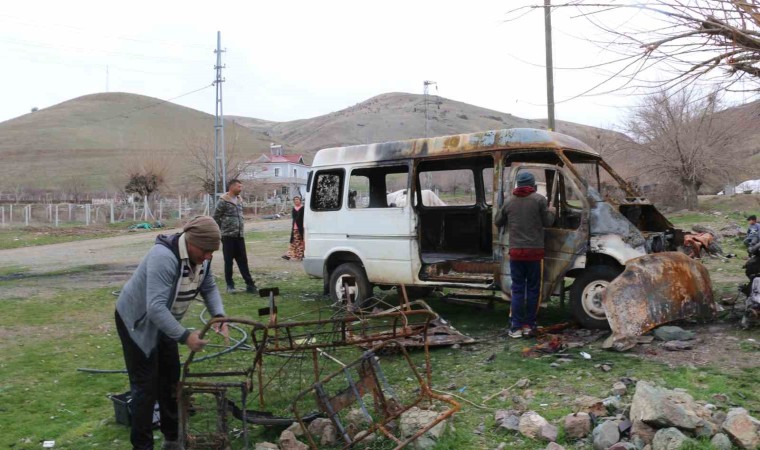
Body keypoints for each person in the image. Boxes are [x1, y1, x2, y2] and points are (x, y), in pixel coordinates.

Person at [115, 216, 229, 450]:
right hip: (137, 322)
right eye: (206, 251)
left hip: (164, 322)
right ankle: (142, 445)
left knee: (170, 380)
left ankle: (172, 439)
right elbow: (155, 308)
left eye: (213, 252)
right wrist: (186, 337)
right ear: (191, 241)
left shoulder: (202, 259)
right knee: (145, 387)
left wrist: (218, 315)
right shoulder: (164, 257)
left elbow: (208, 286)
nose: (209, 256)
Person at [494, 171, 556, 339]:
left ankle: (516, 327)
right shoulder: (539, 200)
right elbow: (548, 222)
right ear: (533, 185)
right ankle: (529, 325)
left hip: (516, 253)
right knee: (533, 289)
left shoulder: (509, 201)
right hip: (534, 253)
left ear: (518, 185)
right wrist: (552, 210)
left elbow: (498, 221)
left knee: (518, 289)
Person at [213, 179, 257, 294]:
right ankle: (230, 285)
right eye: (239, 187)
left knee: (243, 261)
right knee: (228, 261)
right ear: (232, 187)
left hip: (239, 235)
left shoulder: (239, 200)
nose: (240, 189)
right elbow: (216, 217)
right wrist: (222, 230)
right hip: (228, 236)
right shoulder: (223, 201)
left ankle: (250, 285)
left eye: (241, 186)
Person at [282, 196, 305, 261]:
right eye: (295, 200)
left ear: (300, 200)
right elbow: (294, 218)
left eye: (297, 199)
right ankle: (290, 255)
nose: (296, 201)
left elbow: (302, 218)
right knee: (294, 242)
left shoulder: (303, 208)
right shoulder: (294, 208)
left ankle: (298, 255)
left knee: (298, 242)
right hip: (295, 228)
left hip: (300, 228)